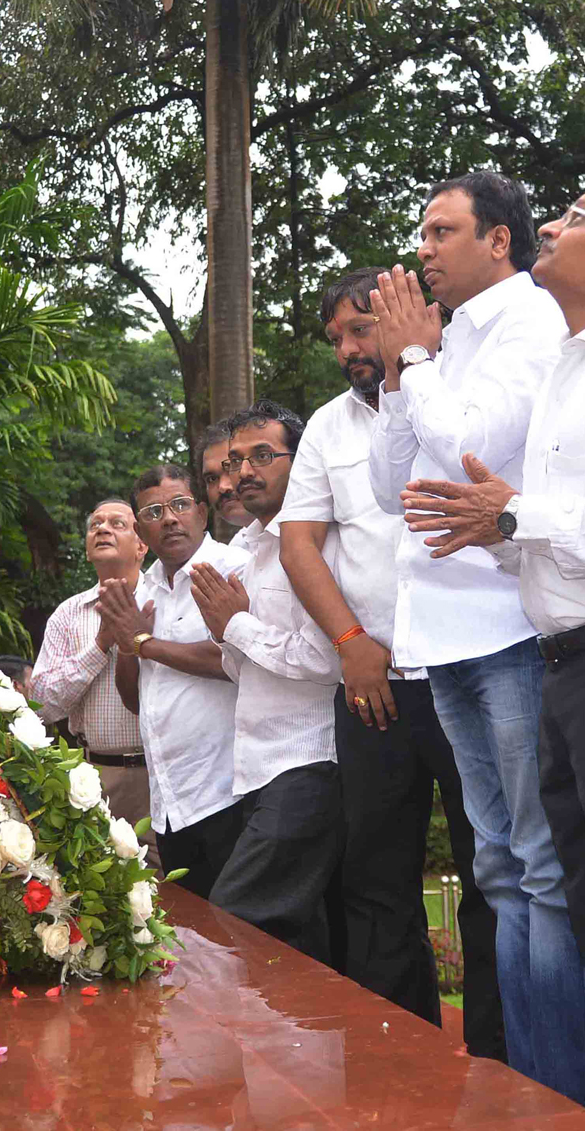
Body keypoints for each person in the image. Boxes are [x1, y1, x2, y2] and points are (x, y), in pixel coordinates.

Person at [396, 185, 585, 1131]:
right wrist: (495, 529)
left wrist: (514, 514)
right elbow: (543, 525)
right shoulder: (571, 363)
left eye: (577, 219)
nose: (554, 228)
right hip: (569, 665)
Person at [365, 171, 585, 1115]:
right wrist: (400, 376)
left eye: (442, 231)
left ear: (499, 242)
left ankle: (570, 1094)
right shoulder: (451, 336)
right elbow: (400, 485)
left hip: (510, 629)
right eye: (423, 232)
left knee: (543, 872)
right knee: (499, 870)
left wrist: (421, 367)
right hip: (445, 634)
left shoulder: (527, 322)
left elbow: (471, 445)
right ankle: (522, 1086)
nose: (423, 249)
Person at [275, 268, 504, 1059]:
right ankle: (395, 1068)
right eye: (336, 337)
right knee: (375, 883)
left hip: (472, 675)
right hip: (373, 693)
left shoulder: (468, 396)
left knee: (491, 876)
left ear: (404, 317)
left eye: (359, 329)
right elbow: (296, 541)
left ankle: (499, 1066)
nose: (347, 349)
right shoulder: (329, 428)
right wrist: (351, 646)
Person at [189, 399, 344, 962]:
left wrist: (237, 623)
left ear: (298, 461)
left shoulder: (315, 541)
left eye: (261, 456)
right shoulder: (244, 552)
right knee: (298, 941)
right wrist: (229, 633)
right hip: (255, 769)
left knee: (239, 916)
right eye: (234, 462)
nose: (242, 474)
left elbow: (328, 660)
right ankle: (300, 1050)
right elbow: (240, 668)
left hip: (307, 762)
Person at [97, 463, 247, 899]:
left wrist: (144, 643)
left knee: (248, 937)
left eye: (179, 505)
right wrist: (128, 645)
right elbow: (136, 700)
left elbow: (233, 659)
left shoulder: (232, 567)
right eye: (153, 511)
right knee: (198, 940)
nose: (169, 518)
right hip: (170, 803)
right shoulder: (143, 592)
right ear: (142, 531)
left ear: (202, 512)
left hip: (229, 792)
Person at [29, 499, 159, 869]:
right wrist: (101, 644)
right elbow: (41, 706)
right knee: (99, 890)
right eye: (95, 524)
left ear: (142, 545)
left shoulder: (164, 598)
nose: (103, 529)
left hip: (159, 773)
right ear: (87, 549)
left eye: (118, 523)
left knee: (166, 893)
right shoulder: (69, 615)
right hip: (92, 778)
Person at [197, 420, 255, 542]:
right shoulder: (239, 546)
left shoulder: (300, 532)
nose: (223, 487)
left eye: (232, 468)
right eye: (211, 479)